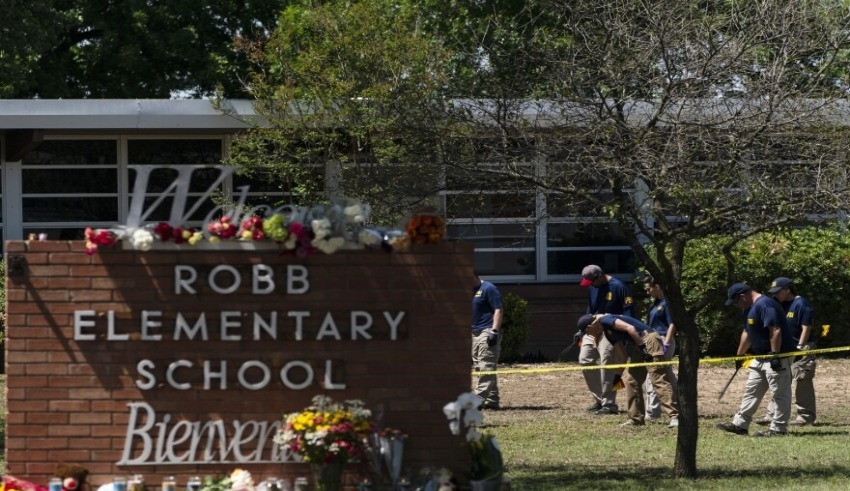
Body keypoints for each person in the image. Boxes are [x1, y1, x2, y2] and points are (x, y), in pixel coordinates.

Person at [716, 282, 795, 437]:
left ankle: (778, 429)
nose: (737, 305)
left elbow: (775, 329)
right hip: (759, 358)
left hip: (776, 357)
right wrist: (739, 356)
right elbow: (747, 332)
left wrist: (774, 355)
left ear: (742, 296)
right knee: (751, 391)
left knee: (780, 393)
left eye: (736, 301)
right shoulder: (748, 309)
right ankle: (740, 424)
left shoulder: (765, 305)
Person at [576, 313, 679, 428]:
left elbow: (630, 328)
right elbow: (622, 357)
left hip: (649, 340)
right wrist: (618, 376)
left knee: (658, 378)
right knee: (632, 381)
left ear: (590, 327)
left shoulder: (606, 320)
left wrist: (642, 349)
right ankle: (636, 419)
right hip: (638, 344)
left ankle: (675, 417)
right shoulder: (608, 334)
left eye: (586, 332)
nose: (588, 335)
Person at [756, 277, 817, 426]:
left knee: (802, 381)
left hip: (801, 348)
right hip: (785, 349)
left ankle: (805, 417)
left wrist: (801, 347)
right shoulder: (778, 304)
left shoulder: (801, 304)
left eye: (778, 292)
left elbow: (806, 327)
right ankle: (772, 415)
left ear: (787, 290)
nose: (775, 295)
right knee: (779, 380)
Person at [575, 265, 634, 415]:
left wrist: (622, 333)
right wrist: (582, 329)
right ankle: (600, 399)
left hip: (611, 329)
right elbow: (590, 309)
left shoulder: (619, 287)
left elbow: (629, 314)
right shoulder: (592, 287)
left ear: (600, 276)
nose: (591, 285)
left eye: (592, 281)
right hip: (592, 327)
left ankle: (609, 405)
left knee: (608, 365)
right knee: (585, 360)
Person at [642, 276, 678, 421]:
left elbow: (672, 324)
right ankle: (681, 403)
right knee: (667, 375)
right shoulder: (656, 303)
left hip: (662, 340)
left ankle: (652, 413)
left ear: (657, 286)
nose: (647, 292)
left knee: (654, 375)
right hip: (653, 339)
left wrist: (667, 343)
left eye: (648, 289)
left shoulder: (667, 303)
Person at [472, 272, 504, 410]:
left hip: (487, 331)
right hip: (473, 333)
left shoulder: (488, 288)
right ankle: (492, 400)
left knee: (487, 366)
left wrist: (494, 331)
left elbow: (499, 309)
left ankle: (478, 400)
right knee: (481, 367)